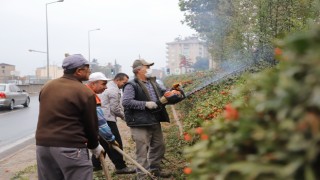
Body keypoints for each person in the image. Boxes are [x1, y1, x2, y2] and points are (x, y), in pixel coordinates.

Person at [35, 54, 104, 180]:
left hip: (43, 147)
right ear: (79, 71)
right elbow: (91, 124)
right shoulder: (85, 92)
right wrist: (94, 145)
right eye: (88, 69)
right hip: (70, 147)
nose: (90, 72)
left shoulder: (47, 86)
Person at [122, 59, 171, 179]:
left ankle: (154, 169)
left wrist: (172, 91)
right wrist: (145, 104)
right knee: (142, 151)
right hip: (140, 122)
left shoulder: (152, 82)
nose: (148, 69)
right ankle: (142, 176)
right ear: (138, 70)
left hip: (154, 118)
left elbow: (164, 92)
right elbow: (126, 102)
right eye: (146, 67)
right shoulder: (131, 85)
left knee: (159, 145)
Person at [96, 72, 135, 174]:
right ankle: (120, 167)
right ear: (117, 80)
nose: (125, 84)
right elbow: (115, 109)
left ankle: (95, 165)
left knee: (103, 143)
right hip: (108, 120)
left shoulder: (107, 87)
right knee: (115, 142)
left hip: (100, 119)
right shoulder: (114, 90)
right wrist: (125, 117)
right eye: (124, 82)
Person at [85, 72, 124, 172]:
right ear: (93, 83)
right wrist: (111, 138)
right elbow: (100, 122)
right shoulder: (90, 96)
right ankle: (120, 166)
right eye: (103, 84)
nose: (106, 87)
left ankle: (96, 165)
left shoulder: (84, 92)